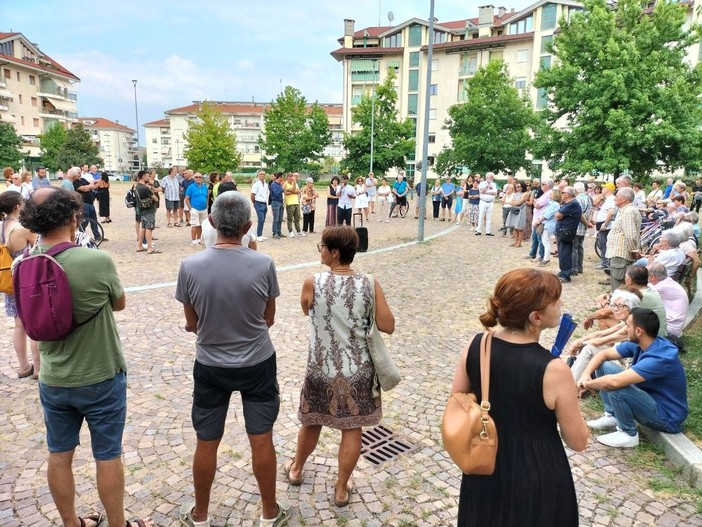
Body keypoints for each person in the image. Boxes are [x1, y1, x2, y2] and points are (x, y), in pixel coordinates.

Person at [18, 187, 153, 527]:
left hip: (54, 378)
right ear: (73, 216)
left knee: (59, 455)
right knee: (107, 455)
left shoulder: (25, 264)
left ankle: (70, 523)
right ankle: (117, 524)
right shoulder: (95, 261)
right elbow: (119, 303)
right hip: (100, 374)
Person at [175, 191, 290, 527]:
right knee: (261, 437)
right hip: (257, 362)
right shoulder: (264, 263)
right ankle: (269, 512)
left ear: (211, 222)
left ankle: (200, 515)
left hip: (211, 365)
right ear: (248, 226)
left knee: (206, 441)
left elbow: (191, 323)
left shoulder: (190, 267)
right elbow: (268, 318)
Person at [450, 268, 588, 526]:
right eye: (556, 301)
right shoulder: (553, 369)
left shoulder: (478, 345)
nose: (561, 305)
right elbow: (577, 441)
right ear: (536, 317)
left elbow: (458, 399)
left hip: (484, 464)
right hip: (537, 473)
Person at [286, 226, 395, 508]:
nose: (319, 250)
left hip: (321, 368)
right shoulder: (370, 283)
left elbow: (306, 309)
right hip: (357, 370)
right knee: (353, 428)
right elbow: (388, 325)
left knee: (312, 421)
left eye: (321, 246)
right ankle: (341, 489)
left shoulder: (313, 282)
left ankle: (296, 469)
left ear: (334, 252)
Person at [578, 308, 688, 448]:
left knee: (616, 387)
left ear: (638, 331)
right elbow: (603, 355)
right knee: (603, 366)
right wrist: (585, 374)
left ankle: (628, 434)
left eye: (627, 326)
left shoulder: (660, 358)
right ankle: (613, 415)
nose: (624, 329)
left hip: (666, 416)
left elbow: (614, 382)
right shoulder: (642, 342)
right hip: (649, 399)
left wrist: (588, 384)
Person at [1, 191, 39, 379]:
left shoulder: (2, 226)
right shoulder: (22, 228)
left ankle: (24, 365)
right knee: (34, 323)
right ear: (17, 206)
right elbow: (39, 245)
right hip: (26, 278)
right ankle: (39, 369)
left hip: (9, 278)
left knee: (19, 325)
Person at [605, 187, 641, 290]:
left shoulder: (628, 212)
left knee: (618, 288)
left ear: (624, 199)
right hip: (620, 255)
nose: (614, 198)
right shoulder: (626, 211)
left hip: (621, 255)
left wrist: (634, 251)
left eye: (616, 196)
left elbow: (630, 235)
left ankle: (618, 305)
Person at [555, 186, 582, 283]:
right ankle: (563, 272)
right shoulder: (569, 203)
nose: (561, 194)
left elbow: (557, 215)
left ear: (567, 194)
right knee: (562, 252)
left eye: (562, 192)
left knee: (565, 253)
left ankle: (566, 274)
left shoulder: (572, 203)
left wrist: (560, 215)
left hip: (566, 231)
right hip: (564, 230)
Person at [72, 166, 104, 242]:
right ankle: (81, 236)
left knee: (94, 220)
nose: (79, 174)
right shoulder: (75, 182)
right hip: (84, 204)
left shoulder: (83, 180)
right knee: (84, 221)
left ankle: (97, 236)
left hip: (90, 203)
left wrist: (88, 187)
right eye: (78, 173)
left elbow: (92, 186)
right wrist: (88, 187)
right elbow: (83, 188)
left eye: (80, 173)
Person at [134, 170, 159, 254]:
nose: (149, 178)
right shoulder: (145, 188)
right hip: (149, 210)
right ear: (144, 177)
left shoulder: (137, 186)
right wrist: (151, 188)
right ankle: (150, 248)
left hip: (142, 210)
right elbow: (156, 198)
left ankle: (139, 246)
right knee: (149, 228)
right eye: (147, 176)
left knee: (143, 227)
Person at [185, 172, 209, 246]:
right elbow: (187, 199)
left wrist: (207, 206)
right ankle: (193, 240)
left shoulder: (205, 187)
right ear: (194, 178)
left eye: (200, 177)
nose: (198, 178)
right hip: (195, 208)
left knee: (201, 225)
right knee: (194, 225)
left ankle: (199, 239)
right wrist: (190, 208)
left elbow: (207, 197)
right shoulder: (191, 187)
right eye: (196, 177)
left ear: (202, 178)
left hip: (204, 209)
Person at [505, 182, 528, 247]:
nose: (516, 187)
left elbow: (520, 202)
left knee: (519, 227)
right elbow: (513, 201)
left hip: (520, 211)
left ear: (522, 187)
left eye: (518, 186)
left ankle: (519, 242)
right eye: (516, 186)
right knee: (515, 227)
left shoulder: (525, 194)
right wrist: (514, 202)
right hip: (514, 210)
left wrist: (514, 202)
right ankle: (516, 241)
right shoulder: (516, 193)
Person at [251, 170, 270, 242]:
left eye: (264, 174)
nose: (262, 175)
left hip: (264, 203)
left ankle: (261, 234)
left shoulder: (266, 184)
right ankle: (258, 235)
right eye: (261, 174)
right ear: (258, 175)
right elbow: (252, 194)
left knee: (263, 220)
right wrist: (255, 203)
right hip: (258, 203)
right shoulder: (256, 184)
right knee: (261, 219)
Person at [284, 172, 303, 238]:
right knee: (290, 218)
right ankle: (290, 231)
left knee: (297, 218)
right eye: (290, 176)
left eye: (292, 176)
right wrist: (293, 190)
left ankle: (298, 231)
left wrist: (292, 191)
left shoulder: (295, 184)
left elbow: (298, 191)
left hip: (296, 202)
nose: (291, 178)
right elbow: (290, 190)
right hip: (289, 203)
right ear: (287, 177)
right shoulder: (285, 184)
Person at [270, 172, 285, 238]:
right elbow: (276, 194)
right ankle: (274, 233)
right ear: (280, 177)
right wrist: (282, 189)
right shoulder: (273, 185)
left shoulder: (279, 184)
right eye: (282, 177)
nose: (283, 178)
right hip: (275, 202)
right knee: (276, 218)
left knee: (280, 218)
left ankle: (279, 232)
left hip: (281, 202)